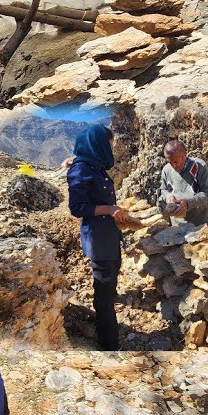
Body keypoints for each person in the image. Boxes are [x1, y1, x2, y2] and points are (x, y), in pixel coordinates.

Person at [66, 124, 131, 350]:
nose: (111, 149)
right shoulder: (81, 170)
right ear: (97, 144)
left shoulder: (95, 166)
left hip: (108, 235)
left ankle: (105, 324)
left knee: (112, 276)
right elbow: (77, 207)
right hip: (98, 237)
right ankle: (108, 343)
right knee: (103, 290)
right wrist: (110, 210)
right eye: (109, 144)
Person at [160, 139, 208, 226]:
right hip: (176, 223)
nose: (173, 166)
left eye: (175, 161)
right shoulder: (167, 170)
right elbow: (163, 190)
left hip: (198, 223)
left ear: (184, 155)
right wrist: (169, 197)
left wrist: (188, 203)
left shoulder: (199, 167)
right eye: (169, 162)